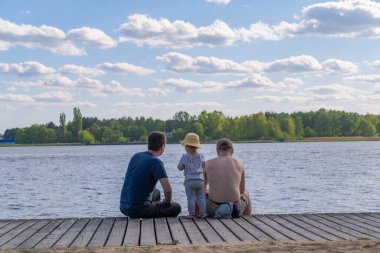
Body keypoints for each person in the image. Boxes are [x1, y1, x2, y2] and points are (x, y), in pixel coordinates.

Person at [120, 131, 181, 218]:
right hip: (137, 209)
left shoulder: (136, 156)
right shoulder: (156, 162)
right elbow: (168, 190)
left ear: (148, 144)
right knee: (176, 207)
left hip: (123, 207)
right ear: (163, 146)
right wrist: (168, 203)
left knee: (156, 192)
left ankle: (151, 211)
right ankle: (151, 215)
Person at [203, 138, 252, 217]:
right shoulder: (239, 163)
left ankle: (197, 216)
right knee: (246, 192)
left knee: (197, 192)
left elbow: (203, 188)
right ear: (232, 151)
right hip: (234, 209)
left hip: (213, 209)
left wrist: (209, 189)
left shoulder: (208, 163)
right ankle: (247, 217)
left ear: (217, 151)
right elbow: (241, 190)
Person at [177, 133, 206, 218]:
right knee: (201, 197)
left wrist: (184, 166)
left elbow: (179, 167)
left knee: (190, 197)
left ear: (186, 146)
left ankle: (191, 214)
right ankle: (203, 213)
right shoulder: (201, 156)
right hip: (200, 180)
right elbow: (204, 166)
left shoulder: (185, 156)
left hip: (189, 180)